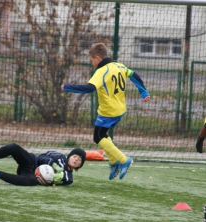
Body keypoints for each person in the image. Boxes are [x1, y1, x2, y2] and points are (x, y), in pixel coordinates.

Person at [61, 43, 150, 180]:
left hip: (108, 111)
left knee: (97, 137)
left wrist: (68, 87)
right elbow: (134, 75)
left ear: (97, 58)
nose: (92, 64)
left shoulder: (102, 71)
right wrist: (143, 91)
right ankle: (113, 162)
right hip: (119, 108)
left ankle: (123, 160)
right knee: (103, 134)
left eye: (92, 61)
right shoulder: (119, 66)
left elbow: (89, 88)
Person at [0, 143, 86, 186]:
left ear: (79, 167)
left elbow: (64, 180)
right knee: (14, 147)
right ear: (69, 156)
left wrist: (53, 178)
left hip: (29, 174)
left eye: (79, 160)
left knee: (31, 182)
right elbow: (42, 156)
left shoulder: (69, 178)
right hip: (30, 161)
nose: (76, 160)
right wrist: (53, 165)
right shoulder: (59, 156)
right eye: (75, 156)